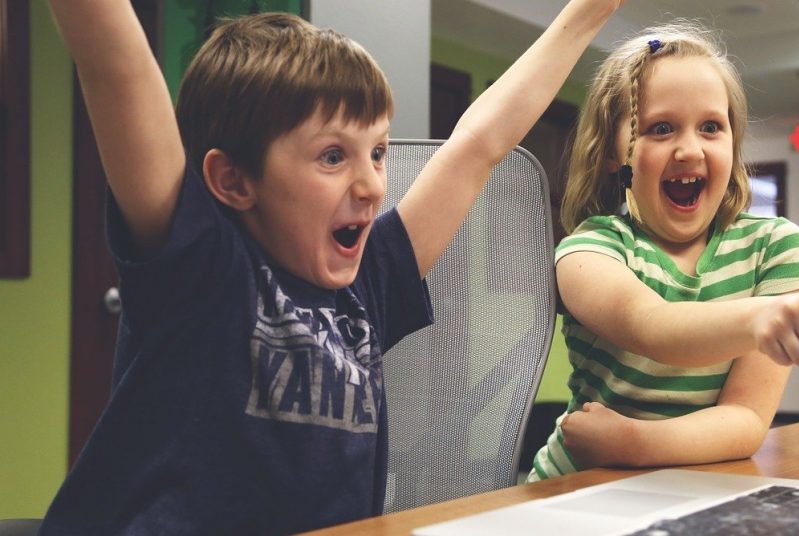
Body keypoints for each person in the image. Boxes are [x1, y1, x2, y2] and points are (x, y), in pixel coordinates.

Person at [41, 0, 620, 533]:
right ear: (233, 180)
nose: (372, 186)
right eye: (333, 156)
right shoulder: (200, 266)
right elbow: (116, 67)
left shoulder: (369, 283)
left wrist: (592, 11)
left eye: (377, 152)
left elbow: (479, 144)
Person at [527, 19, 799, 482]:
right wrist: (763, 318)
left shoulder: (774, 247)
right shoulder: (588, 251)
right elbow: (653, 327)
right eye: (661, 128)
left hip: (689, 486)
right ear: (612, 154)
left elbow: (746, 418)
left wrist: (633, 443)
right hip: (576, 488)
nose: (690, 150)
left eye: (711, 127)